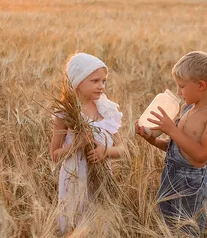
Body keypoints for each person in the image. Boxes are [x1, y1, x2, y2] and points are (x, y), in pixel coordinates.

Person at [135, 51, 207, 236]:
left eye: (181, 86)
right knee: (168, 227)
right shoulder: (187, 108)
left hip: (191, 183)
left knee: (187, 229)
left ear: (201, 85)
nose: (178, 92)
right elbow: (176, 146)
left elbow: (201, 155)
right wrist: (152, 139)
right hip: (171, 175)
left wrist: (172, 130)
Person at [50, 52, 124, 233]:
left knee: (100, 224)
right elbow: (54, 155)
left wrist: (105, 151)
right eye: (95, 81)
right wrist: (77, 144)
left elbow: (122, 149)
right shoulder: (65, 114)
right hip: (75, 180)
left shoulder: (107, 110)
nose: (101, 86)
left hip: (102, 181)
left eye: (104, 81)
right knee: (75, 225)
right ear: (77, 81)